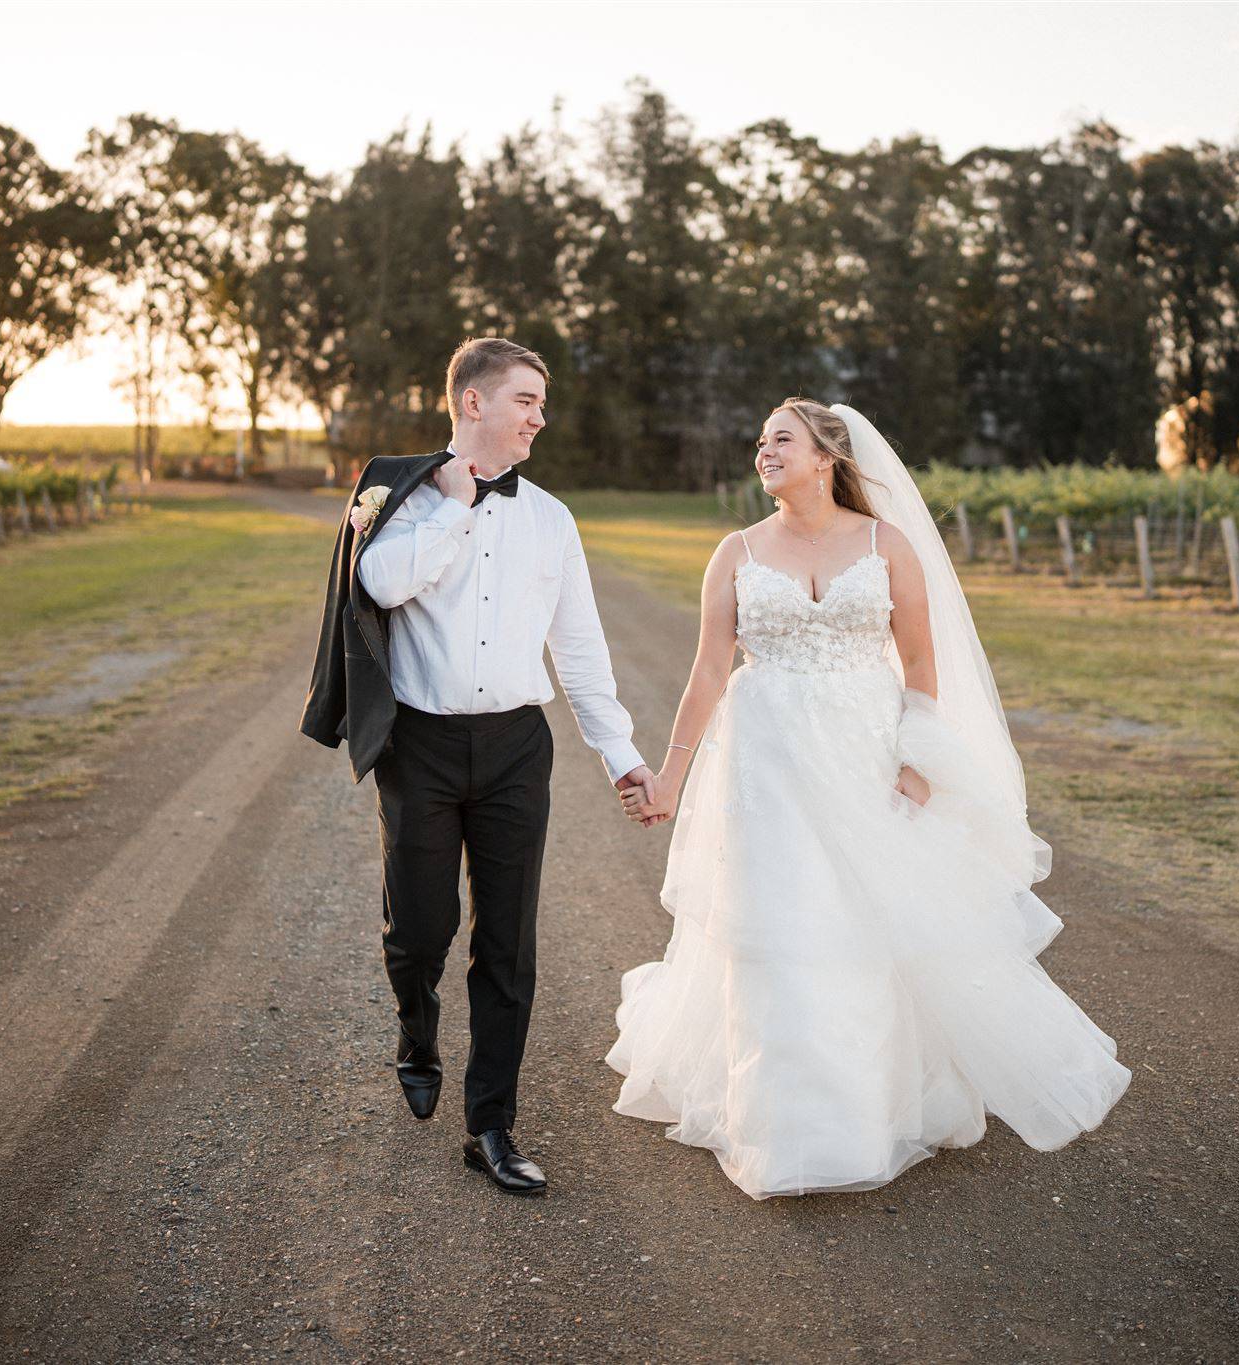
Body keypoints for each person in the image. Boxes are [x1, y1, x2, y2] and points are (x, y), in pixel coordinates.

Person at [608, 398, 1131, 1200]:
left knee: (859, 926)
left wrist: (917, 765)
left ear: (827, 455)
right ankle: (785, 1127)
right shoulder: (736, 551)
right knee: (779, 926)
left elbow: (921, 661)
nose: (764, 451)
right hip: (765, 762)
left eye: (780, 438)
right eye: (760, 443)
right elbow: (709, 672)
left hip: (864, 753)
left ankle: (865, 1109)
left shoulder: (888, 545)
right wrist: (671, 779)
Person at [301, 337, 655, 1196]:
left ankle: (491, 1123)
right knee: (421, 929)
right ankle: (415, 1031)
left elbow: (579, 649)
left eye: (541, 401)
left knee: (509, 941)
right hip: (418, 747)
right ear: (472, 403)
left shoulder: (553, 520)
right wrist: (456, 507)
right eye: (527, 399)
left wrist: (622, 755)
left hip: (513, 750)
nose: (541, 416)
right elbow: (380, 586)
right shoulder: (408, 502)